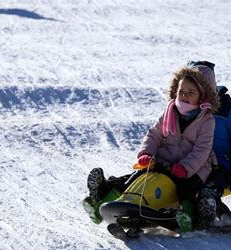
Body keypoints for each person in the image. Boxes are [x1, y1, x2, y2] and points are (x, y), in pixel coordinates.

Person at [86, 65, 219, 233]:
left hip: (194, 168)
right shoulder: (170, 111)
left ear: (202, 98)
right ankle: (100, 206)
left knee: (186, 188)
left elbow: (202, 150)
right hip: (165, 161)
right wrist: (147, 154)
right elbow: (154, 135)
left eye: (190, 93)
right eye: (181, 91)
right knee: (138, 178)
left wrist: (185, 168)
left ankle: (187, 217)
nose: (184, 96)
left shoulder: (207, 121)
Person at [187, 61, 231, 230]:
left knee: (208, 188)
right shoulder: (183, 108)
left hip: (219, 167)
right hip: (188, 162)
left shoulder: (229, 112)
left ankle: (206, 212)